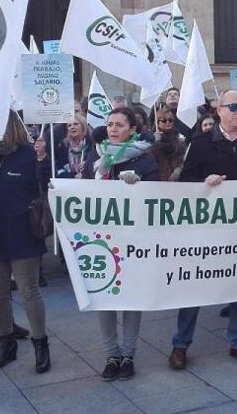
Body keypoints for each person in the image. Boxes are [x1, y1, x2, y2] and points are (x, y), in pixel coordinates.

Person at [169, 90, 237, 369]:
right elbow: (185, 180)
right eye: (233, 107)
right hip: (206, 230)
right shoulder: (200, 143)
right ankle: (180, 344)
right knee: (194, 287)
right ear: (219, 111)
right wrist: (204, 182)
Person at [0, 112, 51, 374]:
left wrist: (43, 160)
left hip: (22, 234)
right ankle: (6, 343)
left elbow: (45, 185)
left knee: (29, 292)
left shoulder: (28, 155)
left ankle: (40, 344)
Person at [84, 107, 159, 380]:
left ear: (132, 130)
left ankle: (128, 354)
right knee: (104, 296)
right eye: (110, 124)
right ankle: (111, 355)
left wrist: (139, 186)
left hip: (133, 239)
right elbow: (84, 192)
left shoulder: (145, 159)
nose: (113, 129)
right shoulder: (96, 155)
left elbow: (156, 197)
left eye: (119, 125)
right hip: (103, 238)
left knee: (131, 297)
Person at [149, 103, 186, 181]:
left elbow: (182, 158)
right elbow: (148, 158)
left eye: (170, 120)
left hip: (176, 180)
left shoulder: (179, 137)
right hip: (157, 180)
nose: (168, 122)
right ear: (157, 123)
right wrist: (154, 142)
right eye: (164, 120)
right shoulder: (150, 137)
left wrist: (179, 169)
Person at [54, 114, 91, 178]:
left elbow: (95, 163)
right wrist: (72, 178)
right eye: (69, 125)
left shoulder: (91, 142)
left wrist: (86, 166)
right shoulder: (64, 145)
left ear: (83, 126)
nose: (72, 127)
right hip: (68, 180)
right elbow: (60, 167)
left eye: (76, 124)